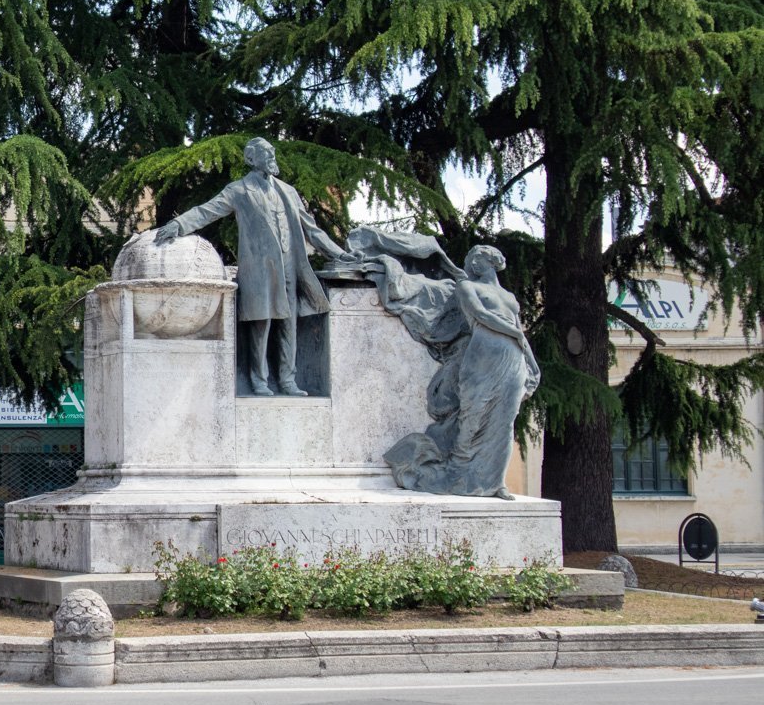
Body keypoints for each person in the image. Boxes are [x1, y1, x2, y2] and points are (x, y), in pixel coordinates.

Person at [155, 137, 353, 395]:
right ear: (251, 158)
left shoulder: (289, 192)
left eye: (273, 151)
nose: (272, 155)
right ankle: (259, 380)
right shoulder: (239, 190)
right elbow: (208, 210)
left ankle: (288, 380)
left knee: (288, 324)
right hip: (260, 270)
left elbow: (313, 232)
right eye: (266, 152)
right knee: (262, 323)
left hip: (291, 267)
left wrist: (341, 254)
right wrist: (179, 224)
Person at [384, 245, 540, 499]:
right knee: (473, 414)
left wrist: (532, 364)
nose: (470, 265)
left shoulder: (509, 297)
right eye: (469, 260)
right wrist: (514, 334)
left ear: (487, 261)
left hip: (513, 359)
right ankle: (459, 468)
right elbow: (480, 315)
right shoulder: (467, 288)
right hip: (482, 355)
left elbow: (521, 333)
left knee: (505, 420)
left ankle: (496, 483)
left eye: (474, 260)